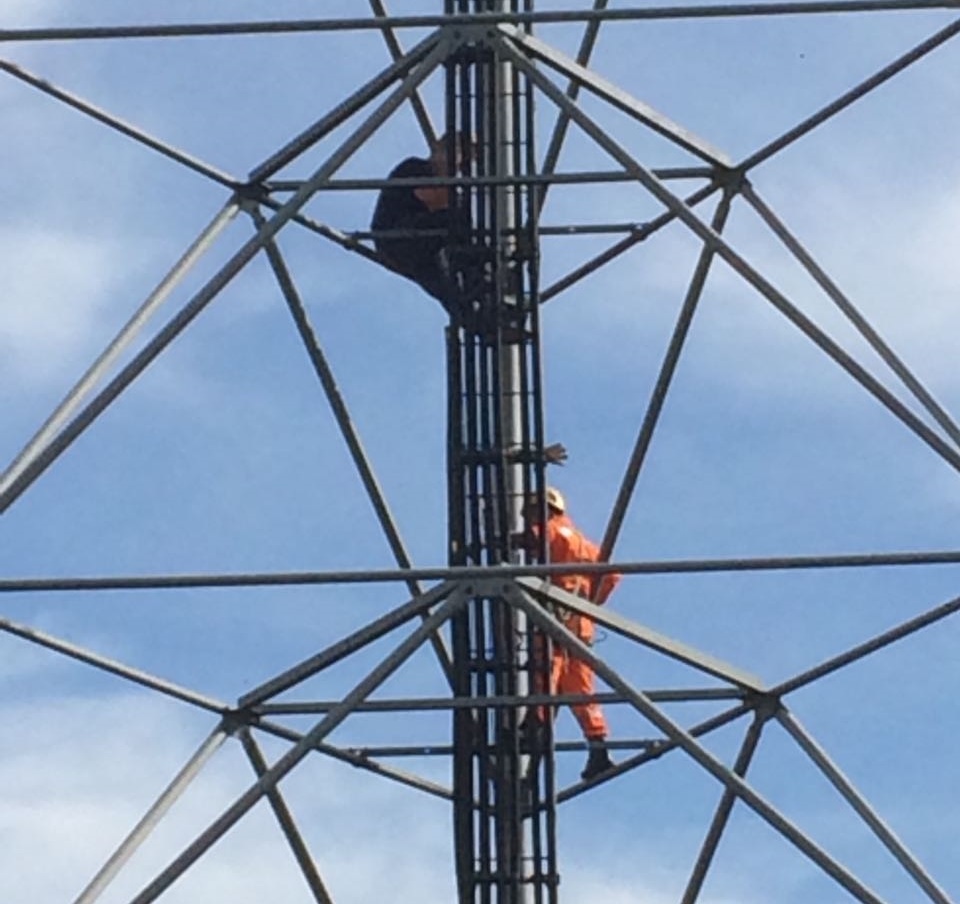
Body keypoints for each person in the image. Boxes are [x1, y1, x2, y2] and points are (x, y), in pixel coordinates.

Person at [517, 486, 622, 781]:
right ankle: (598, 748)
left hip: (553, 619)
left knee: (545, 676)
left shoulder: (550, 530)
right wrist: (592, 602)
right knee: (581, 690)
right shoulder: (586, 545)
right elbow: (612, 575)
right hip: (580, 627)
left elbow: (535, 538)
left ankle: (530, 731)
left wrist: (502, 540)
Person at [370, 133, 475, 316]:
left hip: (423, 248)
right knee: (457, 224)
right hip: (398, 236)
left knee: (450, 288)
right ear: (439, 152)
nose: (459, 168)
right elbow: (431, 200)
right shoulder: (415, 167)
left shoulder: (450, 188)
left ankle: (475, 316)